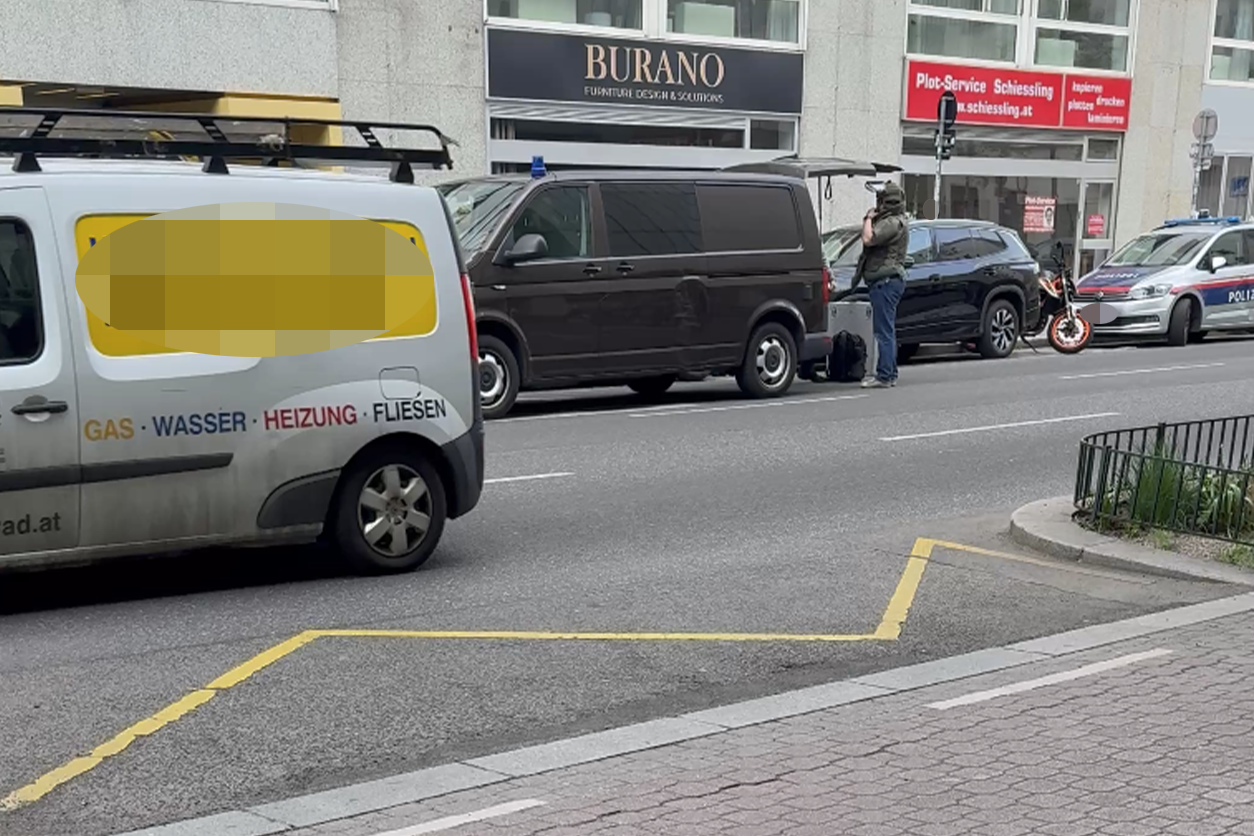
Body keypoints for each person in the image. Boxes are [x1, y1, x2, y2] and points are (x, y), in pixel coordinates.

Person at [852, 182, 909, 389]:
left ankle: (884, 375)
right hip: (887, 282)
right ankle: (890, 373)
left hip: (885, 282)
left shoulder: (892, 223)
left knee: (883, 331)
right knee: (887, 329)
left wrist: (868, 217)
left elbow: (868, 238)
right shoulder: (897, 220)